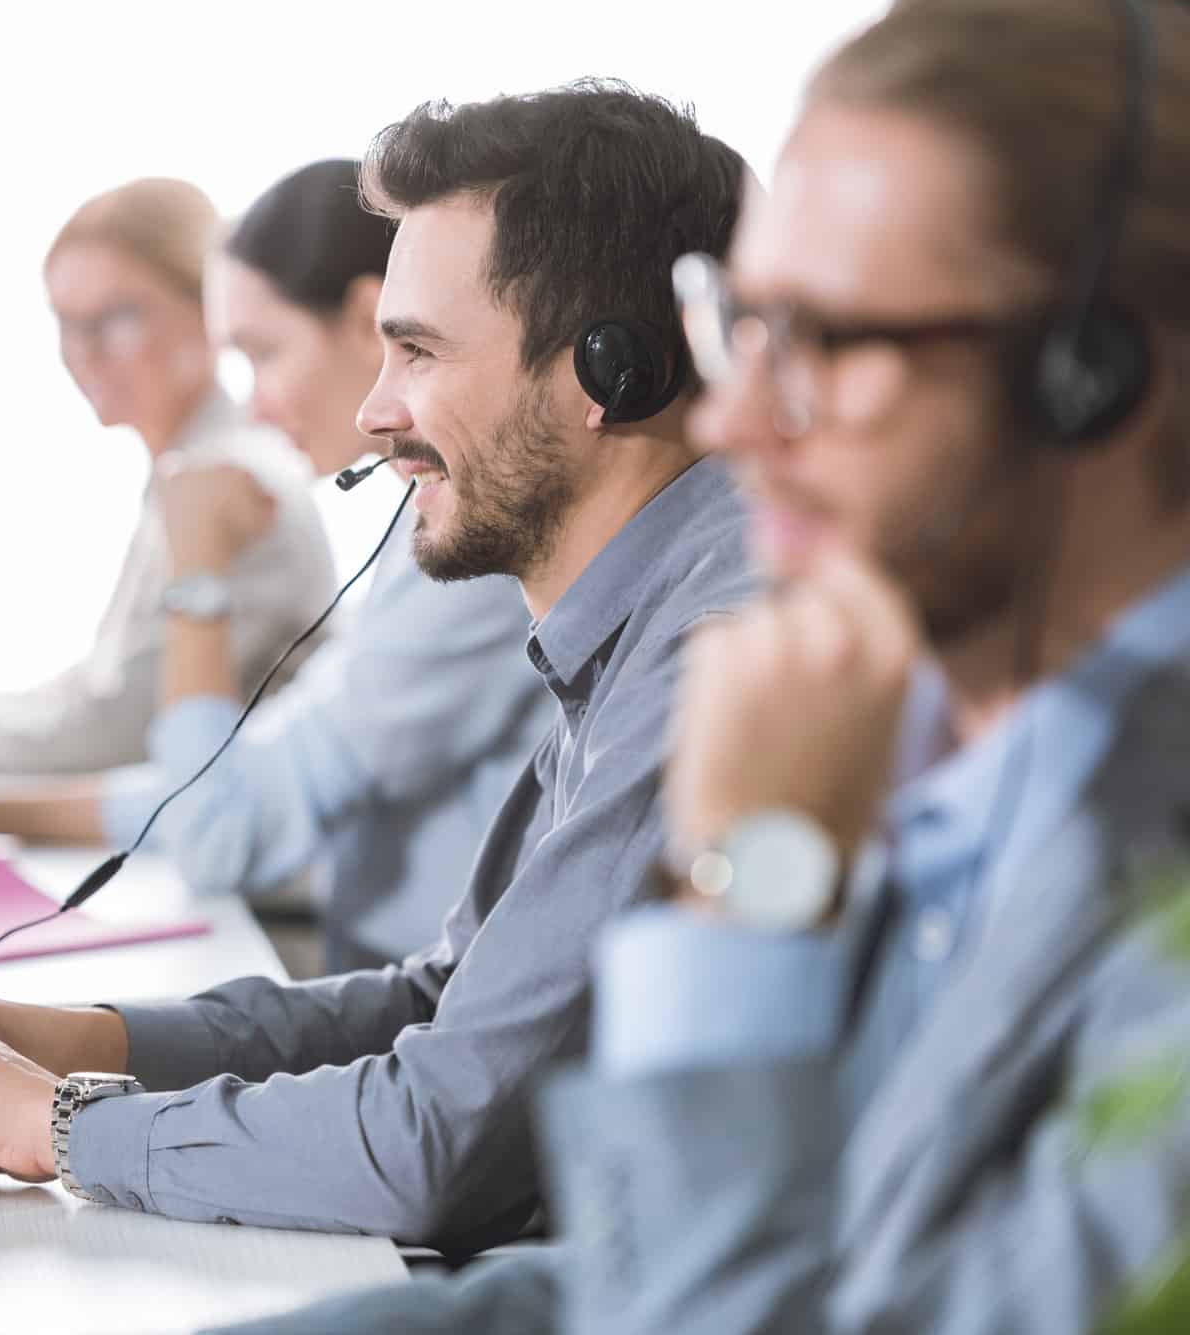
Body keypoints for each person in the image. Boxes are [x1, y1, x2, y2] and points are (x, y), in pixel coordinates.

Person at [197, 0, 1190, 1330]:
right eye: (742, 327)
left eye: (825, 343)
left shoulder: (1129, 890)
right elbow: (660, 1267)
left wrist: (748, 894)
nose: (727, 416)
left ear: (1093, 373)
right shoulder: (952, 766)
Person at [0, 83, 757, 1253]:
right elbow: (436, 1002)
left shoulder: (717, 648)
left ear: (610, 371)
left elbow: (432, 1145)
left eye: (413, 352)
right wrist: (89, 1041)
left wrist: (64, 1126)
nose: (372, 413)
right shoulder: (625, 618)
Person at [0, 159, 555, 970]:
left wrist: (200, 577)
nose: (82, 357)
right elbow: (188, 790)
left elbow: (193, 803)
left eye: (263, 353)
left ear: (370, 322)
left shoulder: (417, 541)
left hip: (399, 984)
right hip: (376, 967)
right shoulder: (404, 535)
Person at [0, 177, 334, 773]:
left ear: (210, 310)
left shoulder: (236, 483)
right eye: (65, 321)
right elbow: (95, 688)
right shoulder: (184, 472)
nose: (82, 352)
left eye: (117, 317)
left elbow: (118, 729)